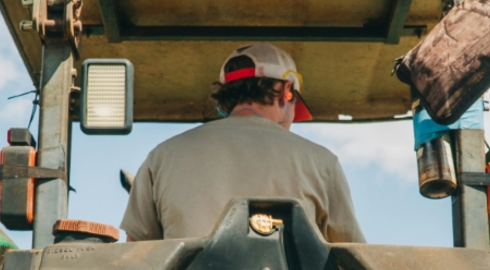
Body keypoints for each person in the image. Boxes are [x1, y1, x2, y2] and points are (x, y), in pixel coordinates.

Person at [121, 43, 365, 243]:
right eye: (294, 104)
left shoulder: (162, 157)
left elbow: (136, 259)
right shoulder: (323, 163)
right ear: (286, 92)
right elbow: (354, 263)